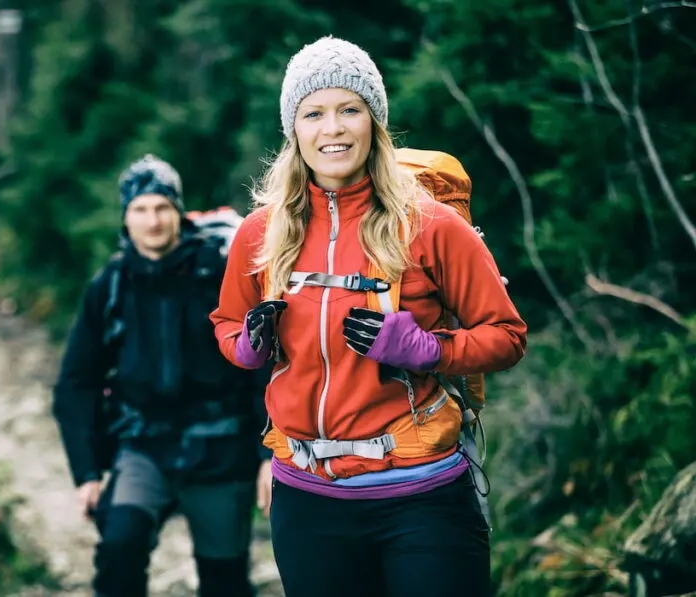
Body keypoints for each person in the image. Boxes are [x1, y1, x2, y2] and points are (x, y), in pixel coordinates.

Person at [210, 36, 528, 597]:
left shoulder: (431, 226)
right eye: (314, 113)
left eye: (349, 109)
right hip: (307, 500)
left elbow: (506, 336)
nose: (332, 129)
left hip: (422, 497)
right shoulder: (260, 233)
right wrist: (246, 347)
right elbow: (227, 321)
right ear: (294, 129)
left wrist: (431, 349)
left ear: (374, 123)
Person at [52, 154, 270, 597]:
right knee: (119, 549)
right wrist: (86, 471)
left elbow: (264, 364)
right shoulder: (112, 284)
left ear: (178, 211)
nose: (152, 221)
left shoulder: (220, 272)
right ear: (126, 217)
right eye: (140, 209)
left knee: (225, 581)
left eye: (161, 208)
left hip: (222, 448)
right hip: (144, 448)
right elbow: (76, 381)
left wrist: (270, 453)